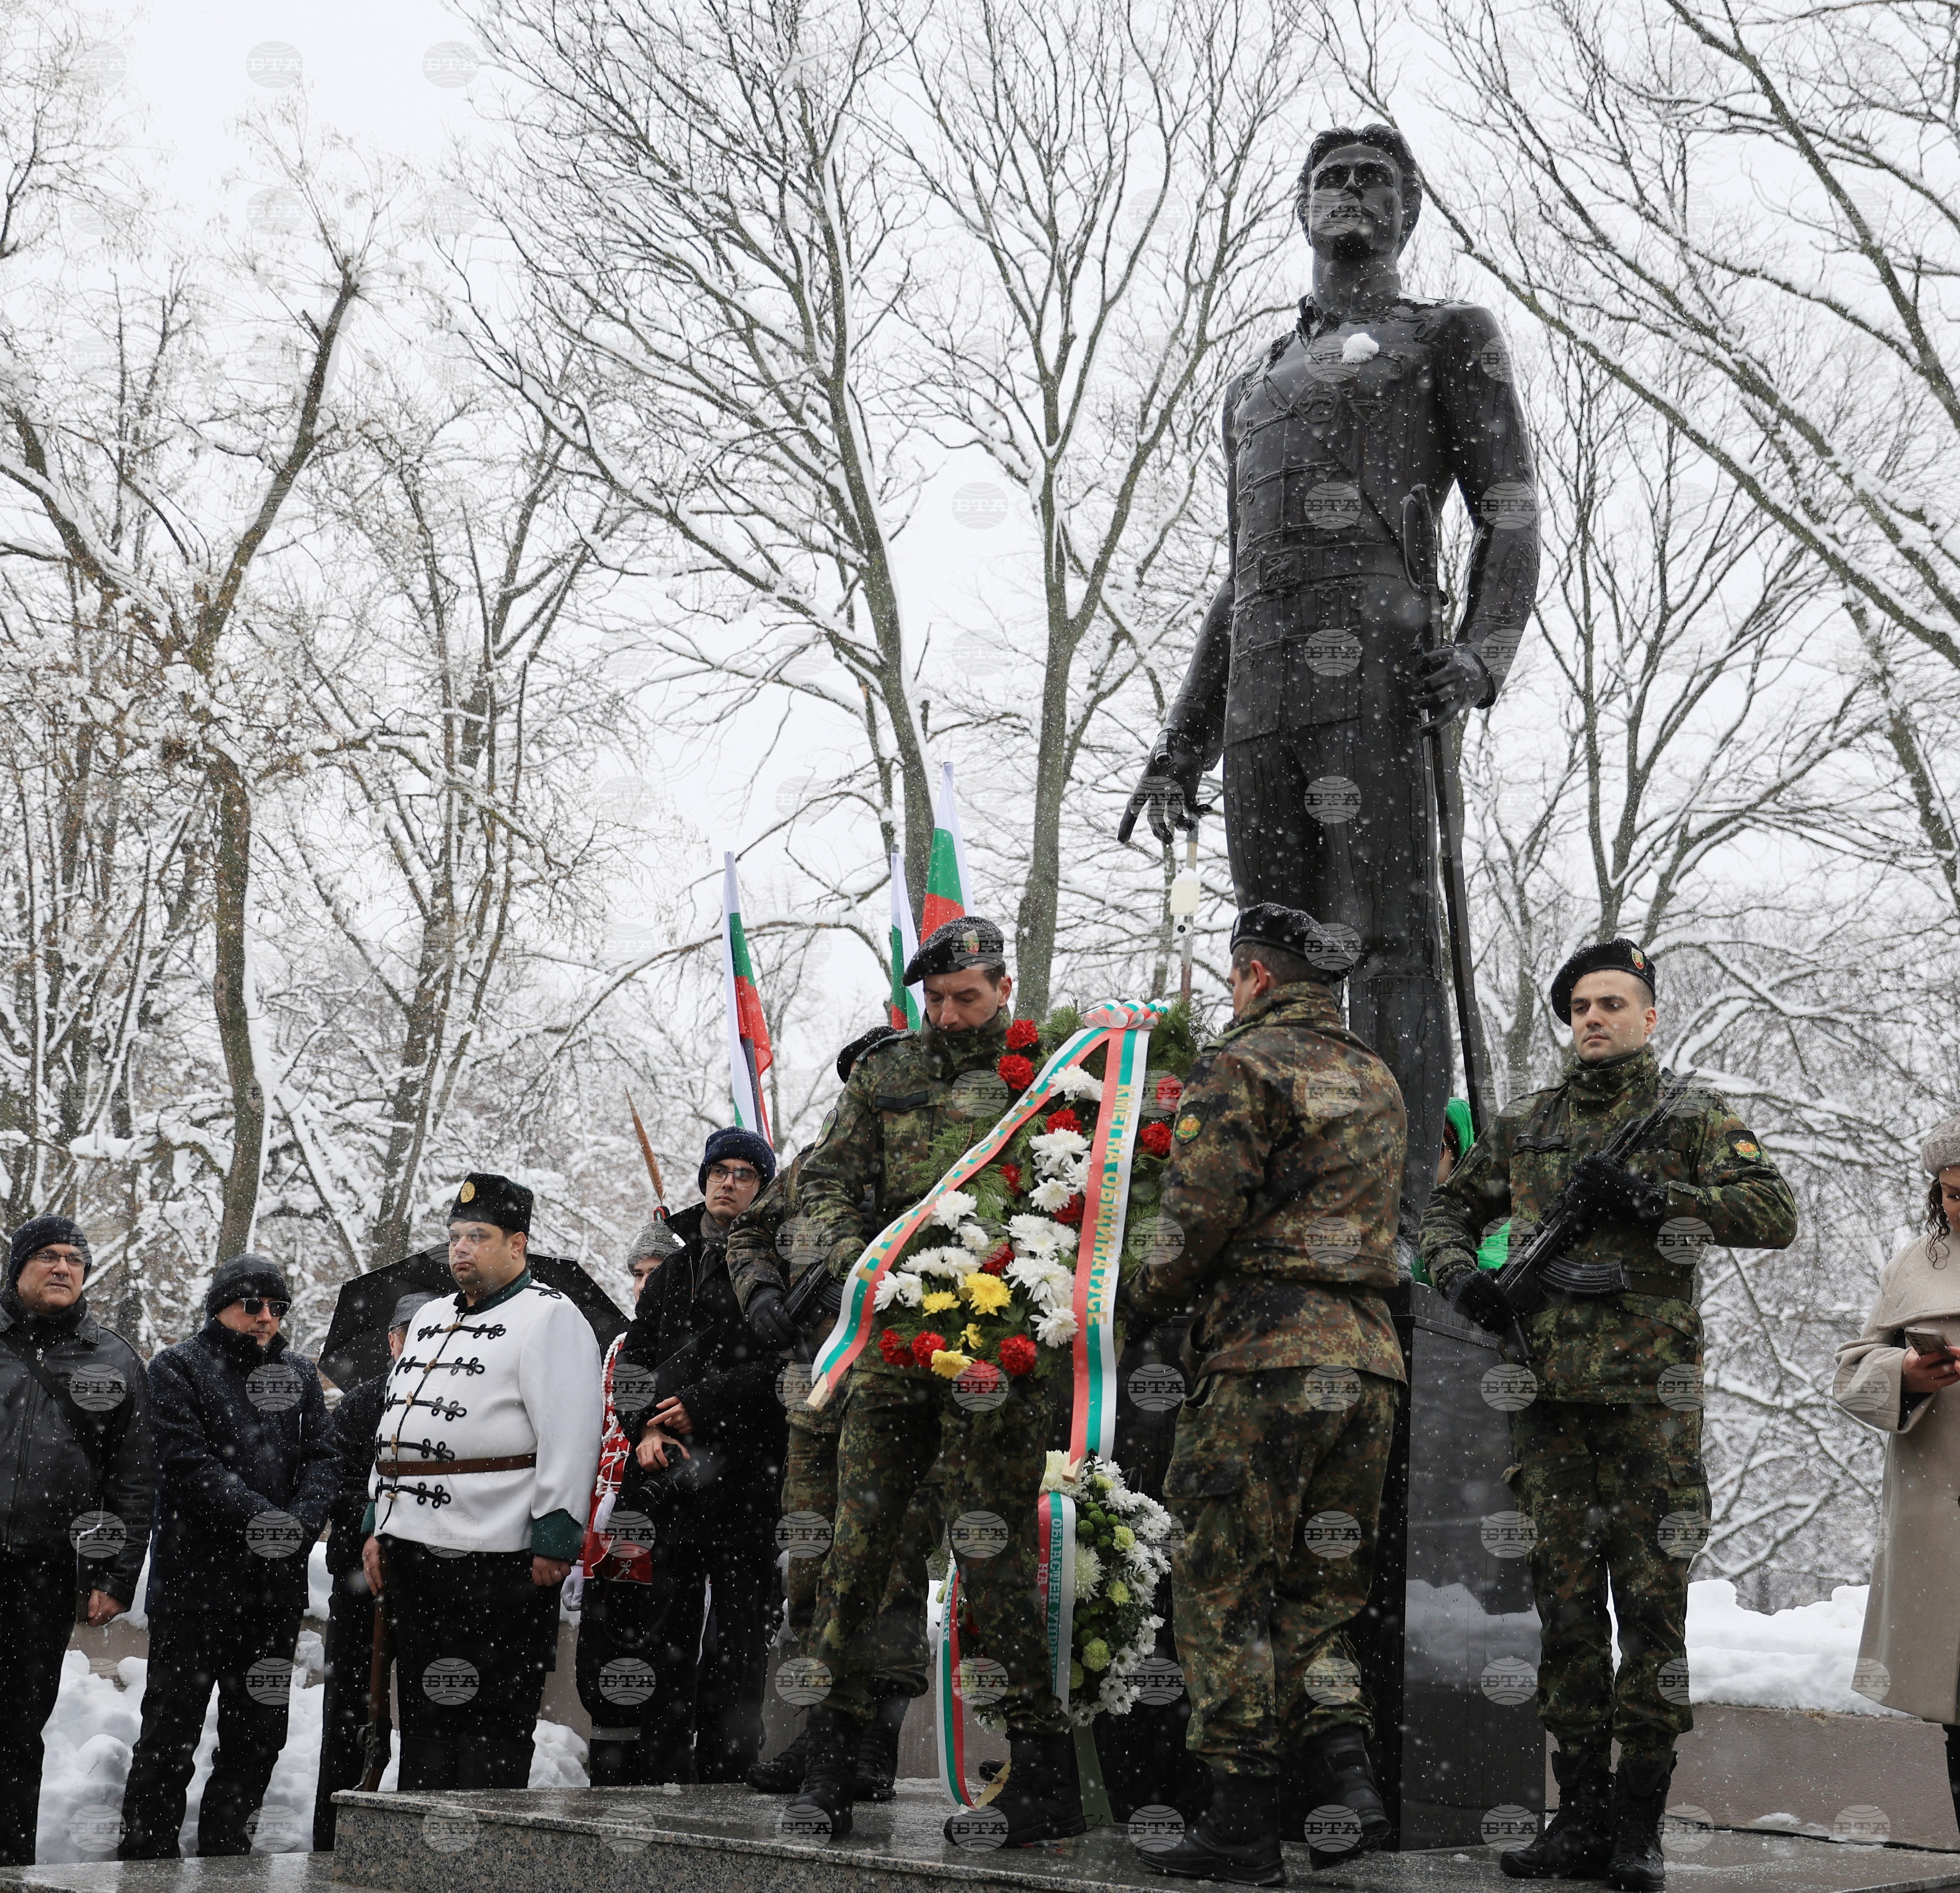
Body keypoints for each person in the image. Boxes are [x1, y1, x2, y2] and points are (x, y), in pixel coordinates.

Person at [1119, 122, 1540, 1257]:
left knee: (1393, 943)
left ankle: (1395, 1218)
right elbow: (1234, 578)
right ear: (1301, 207)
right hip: (1260, 692)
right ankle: (1282, 1194)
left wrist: (1485, 650)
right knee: (1275, 953)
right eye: (1332, 179)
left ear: (1406, 209)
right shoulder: (1251, 384)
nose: (1352, 194)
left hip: (1382, 674)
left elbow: (1510, 512)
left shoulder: (1447, 335)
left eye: (1374, 179)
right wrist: (1179, 745)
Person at [1422, 940, 1796, 1891]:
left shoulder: (1686, 1118)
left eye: (1610, 1004)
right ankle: (1579, 1816)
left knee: (1651, 1619)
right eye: (1579, 1006)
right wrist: (1463, 1280)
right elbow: (1442, 1214)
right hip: (1548, 1409)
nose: (1591, 1018)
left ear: (1648, 1016)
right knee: (1567, 1619)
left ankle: (1639, 1826)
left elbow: (1771, 1211)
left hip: (1647, 1415)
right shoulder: (1529, 1125)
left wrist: (1653, 1195)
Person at [1119, 903, 1408, 1885]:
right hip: (1364, 1362)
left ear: (1249, 976)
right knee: (1320, 1591)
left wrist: (1132, 1296)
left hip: (1262, 1357)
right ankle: (1343, 1777)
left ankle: (1241, 1819)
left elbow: (1196, 1213)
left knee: (1224, 1583)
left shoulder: (1239, 1063)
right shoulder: (1373, 1074)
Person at [786, 916, 1079, 1846]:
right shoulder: (887, 1074)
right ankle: (832, 1753)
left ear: (1003, 986)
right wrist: (848, 1256)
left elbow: (1084, 1199)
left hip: (998, 1354)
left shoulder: (1055, 1077)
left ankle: (1040, 1765)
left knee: (992, 1558)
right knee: (860, 1550)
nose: (950, 1014)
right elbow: (825, 1180)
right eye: (937, 1000)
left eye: (967, 996)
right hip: (893, 1347)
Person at [733, 1022, 939, 1803]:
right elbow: (747, 1225)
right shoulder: (815, 1171)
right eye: (856, 1086)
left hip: (906, 1398)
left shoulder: (939, 1170)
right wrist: (758, 1291)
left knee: (889, 1572)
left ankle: (872, 1747)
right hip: (820, 1402)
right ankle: (820, 1734)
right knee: (812, 1572)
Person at [362, 1173, 603, 1791]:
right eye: (455, 1236)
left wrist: (556, 1530)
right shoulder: (431, 1316)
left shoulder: (550, 1317)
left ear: (517, 1244)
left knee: (492, 1717)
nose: (461, 1248)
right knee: (424, 1710)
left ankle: (484, 1851)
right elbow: (398, 1425)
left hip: (499, 1554)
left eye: (479, 1235)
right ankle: (418, 1840)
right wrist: (375, 1520)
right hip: (413, 1547)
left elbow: (572, 1433)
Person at [120, 1254, 338, 1860]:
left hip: (274, 1592)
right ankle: (146, 1858)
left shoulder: (298, 1373)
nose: (266, 1318)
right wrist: (266, 1520)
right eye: (252, 1305)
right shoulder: (176, 1367)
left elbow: (325, 1457)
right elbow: (187, 1464)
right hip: (196, 1587)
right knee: (170, 1732)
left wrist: (300, 1522)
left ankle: (227, 1854)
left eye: (277, 1307)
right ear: (220, 1306)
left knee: (258, 1734)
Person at [603, 1130, 787, 1783]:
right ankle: (660, 1768)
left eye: (745, 1173)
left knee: (738, 1641)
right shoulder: (674, 1271)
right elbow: (634, 1361)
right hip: (668, 1482)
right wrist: (643, 1430)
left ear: (763, 1189)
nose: (728, 1182)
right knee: (663, 1635)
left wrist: (702, 1405)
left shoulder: (782, 1269)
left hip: (747, 1481)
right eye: (719, 1170)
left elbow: (785, 1370)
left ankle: (728, 1776)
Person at [0, 1216, 153, 1867]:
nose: (63, 1268)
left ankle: (9, 1863)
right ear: (18, 1268)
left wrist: (115, 1577)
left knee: (14, 1729)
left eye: (75, 1260)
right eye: (48, 1257)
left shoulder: (114, 1360)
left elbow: (135, 1479)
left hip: (43, 1573)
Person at [1835, 1119, 1960, 1829]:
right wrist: (1907, 1373)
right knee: (1958, 1716)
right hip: (1939, 1516)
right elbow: (1852, 1376)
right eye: (1952, 1195)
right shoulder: (1914, 1265)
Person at [312, 1290, 437, 1850]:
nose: (421, 1344)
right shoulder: (360, 1406)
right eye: (412, 1333)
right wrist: (372, 1531)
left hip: (428, 1586)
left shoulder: (455, 1408)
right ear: (392, 1341)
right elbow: (332, 1485)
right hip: (358, 1583)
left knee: (427, 1715)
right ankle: (331, 1837)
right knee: (348, 1716)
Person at [572, 1215, 684, 1785]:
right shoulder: (616, 1344)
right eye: (637, 1273)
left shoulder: (689, 1336)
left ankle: (652, 1778)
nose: (644, 1284)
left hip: (668, 1524)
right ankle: (609, 1777)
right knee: (603, 1656)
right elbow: (596, 1434)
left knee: (656, 1657)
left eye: (656, 1271)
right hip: (607, 1526)